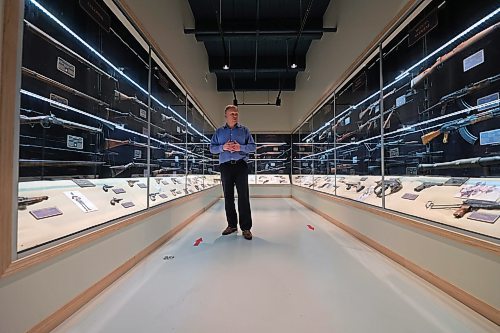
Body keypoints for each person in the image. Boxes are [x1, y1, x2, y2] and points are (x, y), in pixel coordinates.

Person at [210, 105, 256, 240]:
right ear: (226, 116)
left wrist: (240, 147)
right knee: (228, 197)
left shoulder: (244, 130)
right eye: (232, 114)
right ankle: (231, 225)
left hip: (241, 166)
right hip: (225, 167)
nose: (235, 116)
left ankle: (246, 228)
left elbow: (252, 147)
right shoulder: (218, 132)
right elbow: (212, 148)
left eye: (236, 113)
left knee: (243, 197)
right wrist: (222, 147)